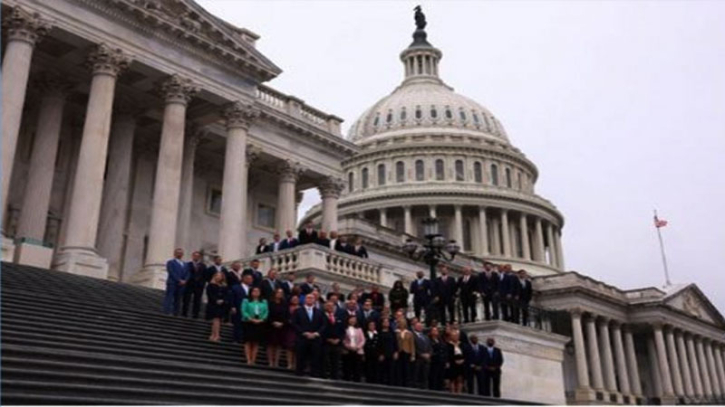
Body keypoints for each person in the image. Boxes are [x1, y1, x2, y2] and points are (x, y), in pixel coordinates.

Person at [291, 294, 327, 377]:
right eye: (308, 298)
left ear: (315, 300)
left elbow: (324, 325)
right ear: (305, 300)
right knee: (301, 356)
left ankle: (314, 373)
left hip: (315, 338)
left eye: (312, 298)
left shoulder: (319, 312)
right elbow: (295, 323)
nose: (310, 299)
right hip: (302, 337)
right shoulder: (298, 311)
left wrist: (317, 333)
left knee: (315, 357)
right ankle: (299, 373)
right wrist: (303, 332)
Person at [241, 286, 268, 365]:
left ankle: (253, 359)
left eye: (258, 291)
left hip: (259, 322)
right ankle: (248, 359)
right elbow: (243, 310)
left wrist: (262, 319)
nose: (256, 293)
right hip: (249, 322)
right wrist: (250, 318)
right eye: (254, 291)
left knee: (256, 342)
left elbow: (266, 311)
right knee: (248, 341)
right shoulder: (246, 301)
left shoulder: (264, 301)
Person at [322, 300, 345, 380]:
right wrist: (328, 339)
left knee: (335, 361)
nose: (330, 308)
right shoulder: (322, 316)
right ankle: (323, 375)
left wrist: (339, 339)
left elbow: (343, 330)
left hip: (337, 343)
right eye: (328, 306)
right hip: (325, 342)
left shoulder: (338, 317)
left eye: (332, 306)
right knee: (324, 360)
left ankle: (334, 377)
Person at [181, 251, 206, 319]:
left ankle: (195, 315)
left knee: (197, 300)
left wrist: (202, 284)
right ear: (192, 256)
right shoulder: (188, 264)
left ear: (200, 257)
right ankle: (184, 313)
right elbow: (185, 273)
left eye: (198, 256)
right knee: (186, 299)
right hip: (189, 284)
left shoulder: (203, 266)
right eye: (195, 256)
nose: (196, 257)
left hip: (199, 286)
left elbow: (205, 276)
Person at [163, 248, 188, 316]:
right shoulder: (170, 262)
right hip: (172, 283)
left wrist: (185, 280)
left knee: (178, 299)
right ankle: (167, 311)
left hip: (182, 284)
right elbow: (171, 272)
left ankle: (176, 313)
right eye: (178, 252)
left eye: (180, 253)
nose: (179, 254)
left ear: (182, 254)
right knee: (169, 297)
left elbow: (188, 273)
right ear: (174, 254)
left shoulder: (185, 264)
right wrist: (179, 280)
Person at [267, 288, 288, 368]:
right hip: (271, 326)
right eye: (278, 292)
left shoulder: (284, 304)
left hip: (281, 326)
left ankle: (276, 361)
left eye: (281, 293)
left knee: (278, 345)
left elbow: (286, 315)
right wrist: (273, 322)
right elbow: (267, 313)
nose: (280, 294)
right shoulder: (270, 303)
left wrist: (282, 323)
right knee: (270, 344)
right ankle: (270, 361)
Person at [205, 271, 228, 342]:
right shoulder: (210, 285)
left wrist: (223, 300)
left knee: (217, 320)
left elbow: (226, 295)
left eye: (220, 276)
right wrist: (215, 300)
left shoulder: (224, 286)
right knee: (215, 320)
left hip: (221, 305)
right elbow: (209, 294)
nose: (218, 277)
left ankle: (215, 335)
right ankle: (214, 334)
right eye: (217, 275)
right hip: (213, 304)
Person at [342, 315, 366, 382]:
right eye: (351, 319)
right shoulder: (345, 329)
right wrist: (348, 346)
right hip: (348, 350)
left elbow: (363, 340)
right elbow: (343, 340)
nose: (353, 321)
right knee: (347, 367)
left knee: (357, 368)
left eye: (354, 319)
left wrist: (358, 347)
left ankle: (357, 382)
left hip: (357, 351)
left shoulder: (359, 329)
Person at [377, 317, 398, 386]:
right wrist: (380, 353)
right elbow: (378, 344)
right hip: (382, 354)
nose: (386, 323)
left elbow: (395, 343)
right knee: (382, 370)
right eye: (384, 322)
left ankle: (391, 384)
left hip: (391, 353)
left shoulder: (392, 332)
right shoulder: (379, 333)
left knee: (391, 370)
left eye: (387, 322)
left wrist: (396, 352)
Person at [395, 318, 415, 387]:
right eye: (400, 322)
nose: (401, 324)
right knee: (399, 368)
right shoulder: (396, 332)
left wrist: (413, 355)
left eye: (403, 323)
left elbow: (412, 344)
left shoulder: (409, 333)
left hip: (407, 351)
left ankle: (406, 383)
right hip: (399, 351)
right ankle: (399, 383)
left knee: (407, 368)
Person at [413, 321, 432, 389]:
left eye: (421, 326)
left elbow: (430, 346)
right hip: (418, 359)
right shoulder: (412, 335)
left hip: (426, 360)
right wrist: (421, 354)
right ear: (414, 327)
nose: (420, 327)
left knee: (425, 376)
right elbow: (413, 347)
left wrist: (429, 354)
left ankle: (425, 387)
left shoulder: (425, 336)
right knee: (417, 375)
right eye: (418, 326)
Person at [284, 295, 301, 371]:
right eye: (293, 299)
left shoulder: (301, 309)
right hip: (290, 329)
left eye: (296, 299)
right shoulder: (287, 308)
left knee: (297, 348)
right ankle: (289, 363)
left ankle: (295, 363)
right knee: (289, 347)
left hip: (298, 330)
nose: (295, 300)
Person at [428, 326, 446, 391]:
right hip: (434, 361)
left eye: (436, 331)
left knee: (441, 377)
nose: (435, 332)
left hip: (441, 361)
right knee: (434, 377)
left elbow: (444, 349)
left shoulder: (440, 340)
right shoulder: (429, 340)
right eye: (434, 330)